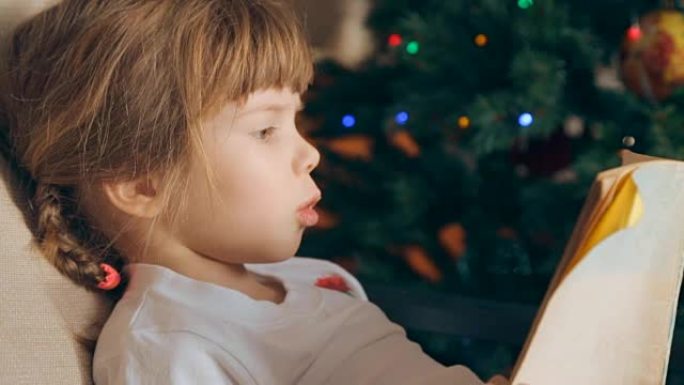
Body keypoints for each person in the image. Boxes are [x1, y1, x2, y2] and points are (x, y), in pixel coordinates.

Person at [0, 0, 511, 384]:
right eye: (266, 130)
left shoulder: (298, 279)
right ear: (140, 183)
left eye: (296, 121)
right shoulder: (174, 350)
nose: (310, 153)